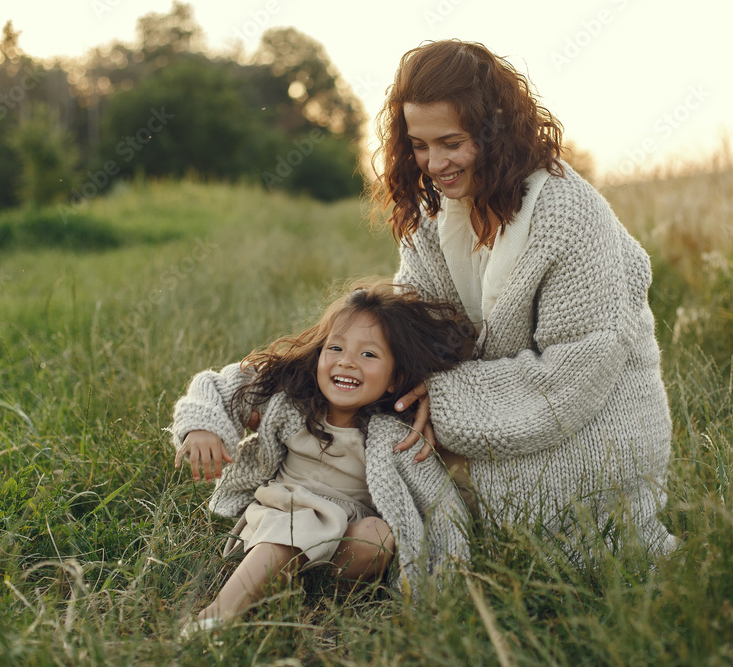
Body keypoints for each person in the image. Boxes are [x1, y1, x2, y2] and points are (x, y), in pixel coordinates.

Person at [370, 39, 677, 557]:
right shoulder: (430, 218)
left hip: (593, 426)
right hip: (493, 414)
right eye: (420, 145)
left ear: (493, 129)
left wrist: (442, 397)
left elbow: (581, 364)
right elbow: (412, 325)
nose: (435, 163)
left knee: (564, 553)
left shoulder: (566, 213)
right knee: (369, 434)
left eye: (451, 142)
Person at [170, 282, 476, 637]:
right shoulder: (292, 403)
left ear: (395, 380)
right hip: (277, 518)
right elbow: (217, 384)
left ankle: (318, 599)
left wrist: (443, 573)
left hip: (342, 538)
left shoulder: (395, 435)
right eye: (336, 347)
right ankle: (217, 615)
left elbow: (436, 503)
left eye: (369, 355)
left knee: (378, 535)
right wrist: (202, 428)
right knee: (297, 525)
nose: (347, 361)